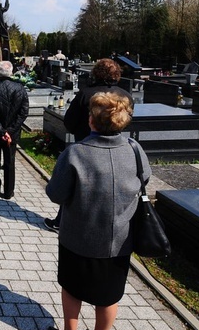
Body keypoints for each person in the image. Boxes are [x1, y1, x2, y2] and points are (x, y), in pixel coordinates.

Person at [45, 92, 149, 330]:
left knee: (71, 288)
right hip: (118, 240)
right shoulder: (135, 150)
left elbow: (56, 194)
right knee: (109, 296)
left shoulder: (76, 153)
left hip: (78, 237)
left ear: (91, 121)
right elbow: (144, 179)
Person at [45, 58, 134, 232]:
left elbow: (69, 122)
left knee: (77, 184)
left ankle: (62, 221)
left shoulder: (86, 94)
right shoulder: (126, 96)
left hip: (87, 144)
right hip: (116, 146)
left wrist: (81, 131)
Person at [0, 61, 28, 199]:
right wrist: (10, 131)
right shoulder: (20, 88)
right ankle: (8, 191)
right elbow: (23, 112)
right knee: (10, 161)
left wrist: (2, 131)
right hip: (11, 133)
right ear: (12, 73)